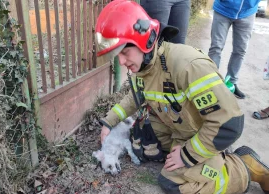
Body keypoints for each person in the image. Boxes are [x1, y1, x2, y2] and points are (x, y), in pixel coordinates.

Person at [95, 1, 269, 193]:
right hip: (179, 128)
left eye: (125, 52)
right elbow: (134, 97)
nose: (121, 61)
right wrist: (109, 122)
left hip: (202, 135)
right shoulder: (146, 67)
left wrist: (187, 154)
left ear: (145, 41)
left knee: (174, 183)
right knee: (142, 145)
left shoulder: (188, 66)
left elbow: (229, 124)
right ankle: (201, 159)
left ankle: (242, 169)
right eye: (117, 54)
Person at [208, 0, 261, 99]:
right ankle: (212, 82)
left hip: (247, 12)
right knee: (216, 47)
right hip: (223, 9)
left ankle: (232, 83)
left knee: (240, 50)